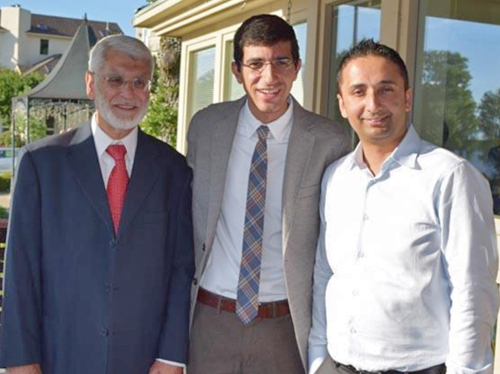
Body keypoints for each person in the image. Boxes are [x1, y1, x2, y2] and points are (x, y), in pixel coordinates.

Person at [0, 35, 194, 374]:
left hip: (144, 359)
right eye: (115, 80)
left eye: (139, 82)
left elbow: (181, 269)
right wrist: (19, 359)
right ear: (91, 83)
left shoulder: (173, 169)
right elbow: (20, 269)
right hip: (58, 355)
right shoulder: (42, 163)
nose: (128, 93)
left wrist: (171, 356)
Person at [308, 39, 499, 374]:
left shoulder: (450, 177)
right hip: (339, 366)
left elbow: (473, 290)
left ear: (407, 98)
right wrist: (318, 357)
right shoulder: (335, 178)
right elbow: (326, 272)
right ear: (341, 104)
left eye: (386, 89)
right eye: (358, 91)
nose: (373, 104)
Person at [186, 14, 349, 374]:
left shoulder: (329, 141)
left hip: (285, 326)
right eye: (256, 64)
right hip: (211, 320)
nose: (269, 77)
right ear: (236, 70)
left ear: (297, 67)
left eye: (281, 62)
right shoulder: (206, 127)